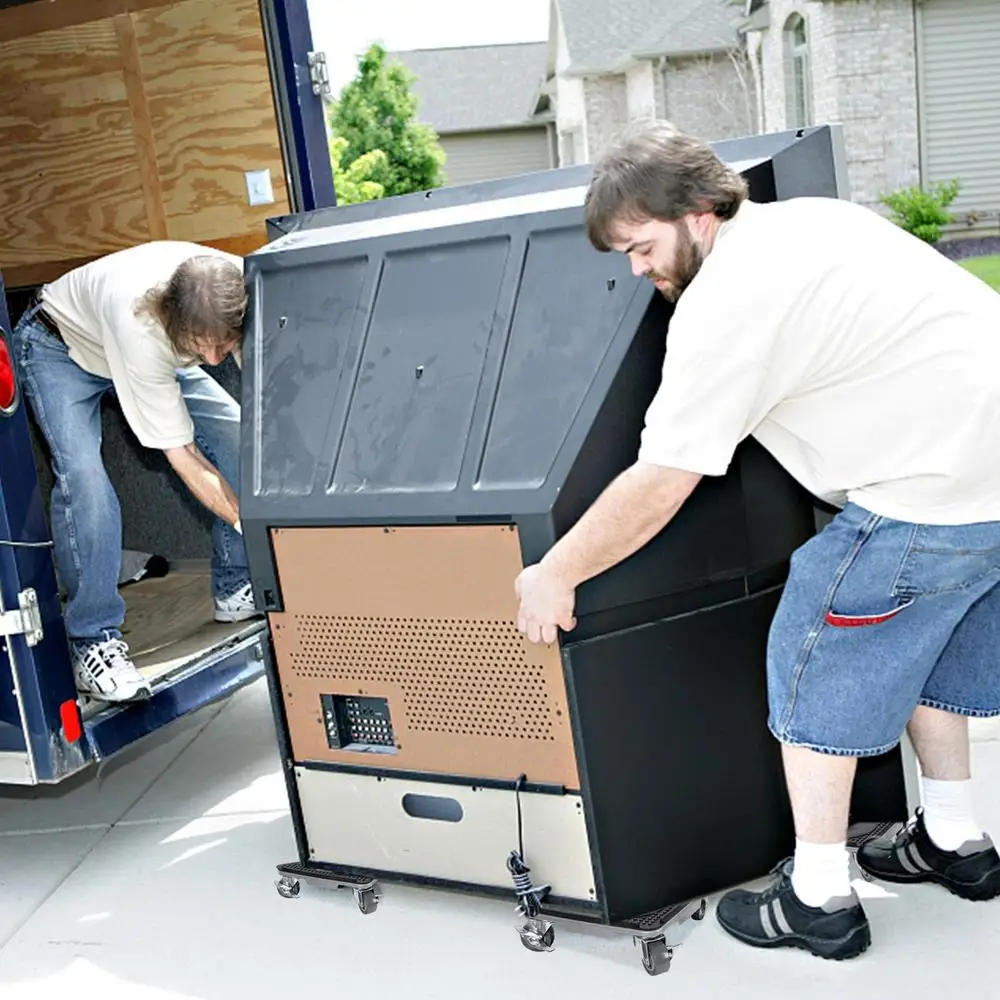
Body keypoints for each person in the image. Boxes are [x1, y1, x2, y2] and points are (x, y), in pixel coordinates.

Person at [513, 120, 1000, 961]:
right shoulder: (815, 220)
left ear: (698, 211)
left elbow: (664, 479)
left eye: (641, 247)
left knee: (814, 666)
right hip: (989, 483)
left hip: (929, 492)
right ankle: (956, 840)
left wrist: (556, 572)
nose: (635, 270)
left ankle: (820, 899)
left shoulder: (726, 300)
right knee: (922, 640)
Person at [12, 241, 259, 704]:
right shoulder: (142, 324)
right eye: (200, 345)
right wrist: (256, 526)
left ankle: (236, 586)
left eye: (223, 344)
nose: (212, 359)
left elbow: (266, 385)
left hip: (153, 347)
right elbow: (185, 458)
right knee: (85, 482)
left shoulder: (241, 286)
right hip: (59, 346)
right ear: (173, 317)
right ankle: (93, 641)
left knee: (241, 437)